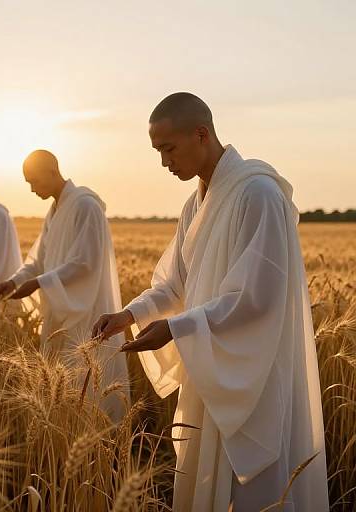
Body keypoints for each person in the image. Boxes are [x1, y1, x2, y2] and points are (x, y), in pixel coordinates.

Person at [92, 93, 329, 511]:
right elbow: (175, 285)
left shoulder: (259, 194)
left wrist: (177, 328)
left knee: (259, 492)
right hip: (210, 366)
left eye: (169, 148)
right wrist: (129, 313)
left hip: (250, 370)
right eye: (157, 151)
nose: (164, 162)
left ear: (201, 134)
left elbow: (258, 295)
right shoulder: (195, 203)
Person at [0, 150, 128, 421]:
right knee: (63, 383)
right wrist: (14, 280)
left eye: (34, 181)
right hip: (60, 310)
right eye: (27, 183)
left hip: (86, 310)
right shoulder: (54, 210)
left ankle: (101, 444)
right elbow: (39, 260)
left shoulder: (85, 205)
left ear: (53, 172)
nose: (32, 189)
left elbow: (85, 262)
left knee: (88, 384)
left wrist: (37, 283)